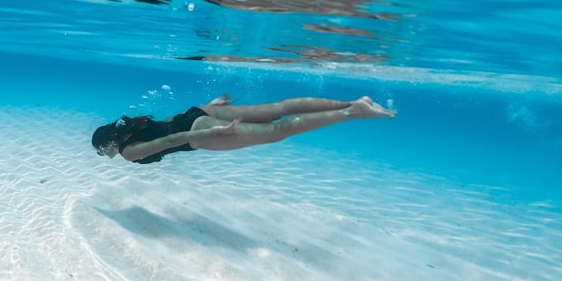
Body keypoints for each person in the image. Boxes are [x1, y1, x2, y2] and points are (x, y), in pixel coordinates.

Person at [92, 94, 396, 164]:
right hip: (199, 112)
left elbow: (174, 138)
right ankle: (356, 102)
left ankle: (353, 112)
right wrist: (207, 107)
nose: (105, 155)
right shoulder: (135, 126)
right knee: (281, 108)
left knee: (279, 130)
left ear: (112, 142)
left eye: (102, 150)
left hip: (201, 130)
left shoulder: (129, 152)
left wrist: (211, 134)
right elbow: (170, 123)